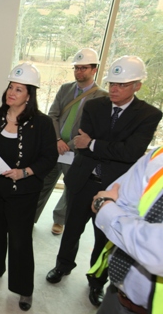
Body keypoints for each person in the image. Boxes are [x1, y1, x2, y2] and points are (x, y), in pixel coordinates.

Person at [46, 55, 162, 308]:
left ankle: (96, 282)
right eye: (112, 84)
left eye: (122, 85)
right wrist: (105, 147)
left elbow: (131, 153)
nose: (114, 89)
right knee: (72, 229)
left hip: (114, 190)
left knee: (104, 238)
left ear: (137, 86)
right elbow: (81, 146)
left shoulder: (149, 115)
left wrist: (95, 143)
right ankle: (62, 266)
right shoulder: (94, 105)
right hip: (82, 179)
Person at [0, 62, 57, 311]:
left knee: (20, 241)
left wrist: (25, 172)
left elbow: (49, 158)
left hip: (24, 192)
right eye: (11, 86)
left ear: (29, 95)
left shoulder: (41, 123)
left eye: (19, 89)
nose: (12, 92)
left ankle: (23, 289)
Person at [34, 48, 107, 235]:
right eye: (76, 68)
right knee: (43, 183)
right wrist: (57, 139)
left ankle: (59, 220)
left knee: (70, 189)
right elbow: (53, 115)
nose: (79, 72)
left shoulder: (102, 97)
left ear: (94, 70)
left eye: (84, 68)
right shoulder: (65, 89)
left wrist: (71, 145)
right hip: (55, 147)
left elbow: (96, 128)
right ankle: (31, 216)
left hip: (77, 152)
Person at [89, 146, 163, 314]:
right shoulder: (158, 156)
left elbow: (157, 252)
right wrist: (111, 207)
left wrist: (108, 209)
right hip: (117, 294)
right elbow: (112, 194)